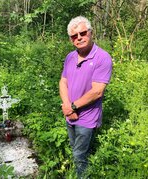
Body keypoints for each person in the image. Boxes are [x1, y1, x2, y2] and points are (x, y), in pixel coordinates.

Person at [59, 16, 113, 177]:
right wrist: (67, 105)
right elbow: (63, 82)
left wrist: (73, 106)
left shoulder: (102, 58)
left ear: (90, 32)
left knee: (79, 155)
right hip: (70, 113)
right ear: (71, 39)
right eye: (74, 36)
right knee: (76, 148)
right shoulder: (70, 57)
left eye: (82, 33)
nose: (79, 38)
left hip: (87, 118)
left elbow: (97, 91)